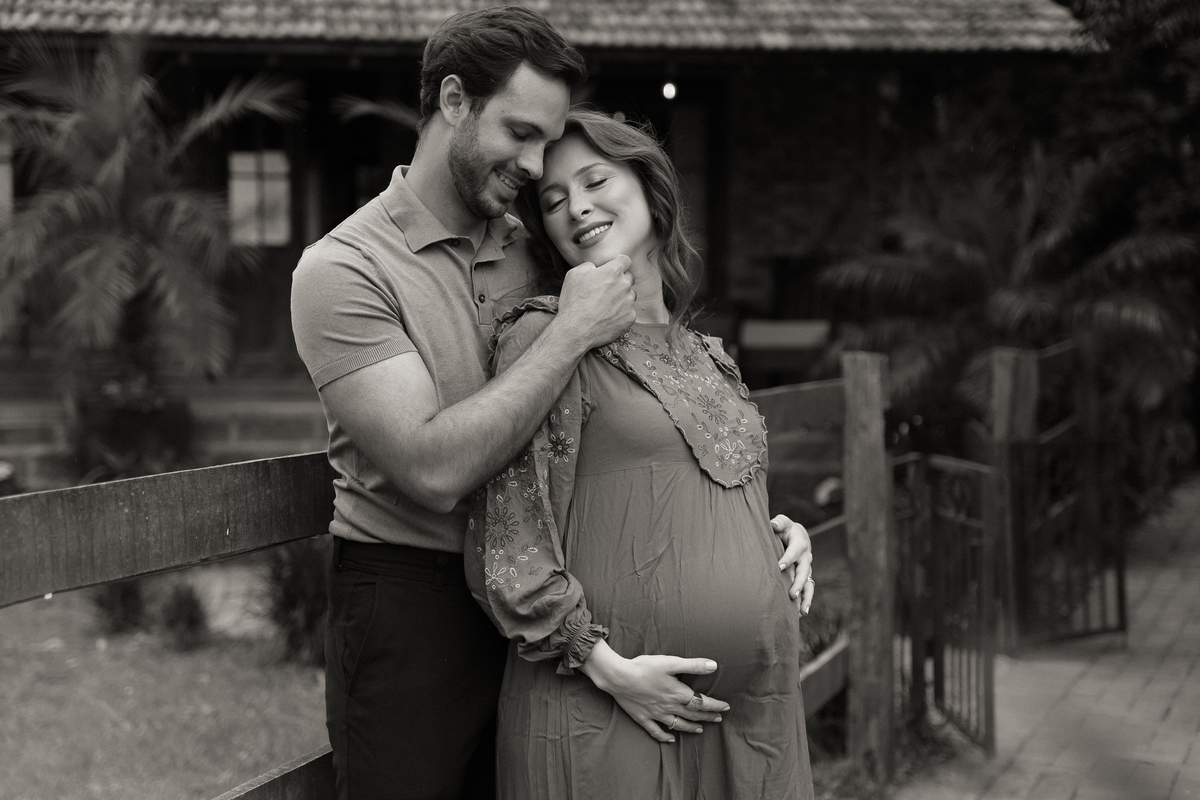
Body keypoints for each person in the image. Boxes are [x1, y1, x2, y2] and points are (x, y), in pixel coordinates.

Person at [292, 7, 812, 798]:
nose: (539, 167)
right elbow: (432, 472)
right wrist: (569, 330)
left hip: (559, 588)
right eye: (522, 133)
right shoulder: (345, 270)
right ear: (455, 101)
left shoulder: (540, 245)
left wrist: (740, 525)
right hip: (414, 598)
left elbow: (631, 405)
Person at [466, 108, 817, 799]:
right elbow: (509, 538)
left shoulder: (707, 356)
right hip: (610, 711)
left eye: (595, 181)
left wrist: (779, 533)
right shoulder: (546, 337)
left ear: (651, 189)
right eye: (554, 201)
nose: (577, 207)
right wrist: (606, 667)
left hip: (752, 720)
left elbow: (712, 488)